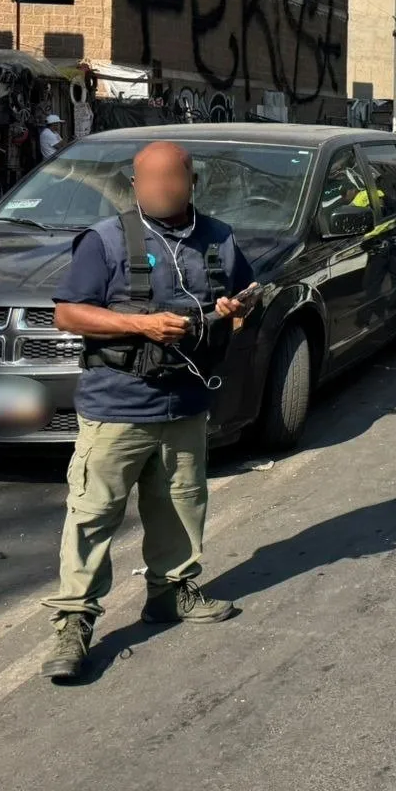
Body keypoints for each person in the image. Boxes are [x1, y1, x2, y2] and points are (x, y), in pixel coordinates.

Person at [43, 141, 256, 681]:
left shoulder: (220, 238)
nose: (158, 188)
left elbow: (243, 302)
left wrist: (235, 310)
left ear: (191, 183)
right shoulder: (106, 240)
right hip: (118, 405)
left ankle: (170, 592)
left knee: (182, 503)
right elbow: (68, 313)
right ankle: (75, 621)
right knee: (93, 514)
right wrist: (141, 325)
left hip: (186, 402)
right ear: (134, 185)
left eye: (169, 179)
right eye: (146, 179)